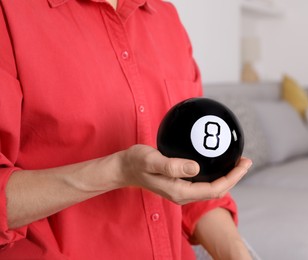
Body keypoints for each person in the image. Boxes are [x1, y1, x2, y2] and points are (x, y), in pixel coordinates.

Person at [0, 0, 253, 259]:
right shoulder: (9, 12)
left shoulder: (165, 17)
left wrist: (238, 254)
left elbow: (193, 180)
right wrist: (118, 171)